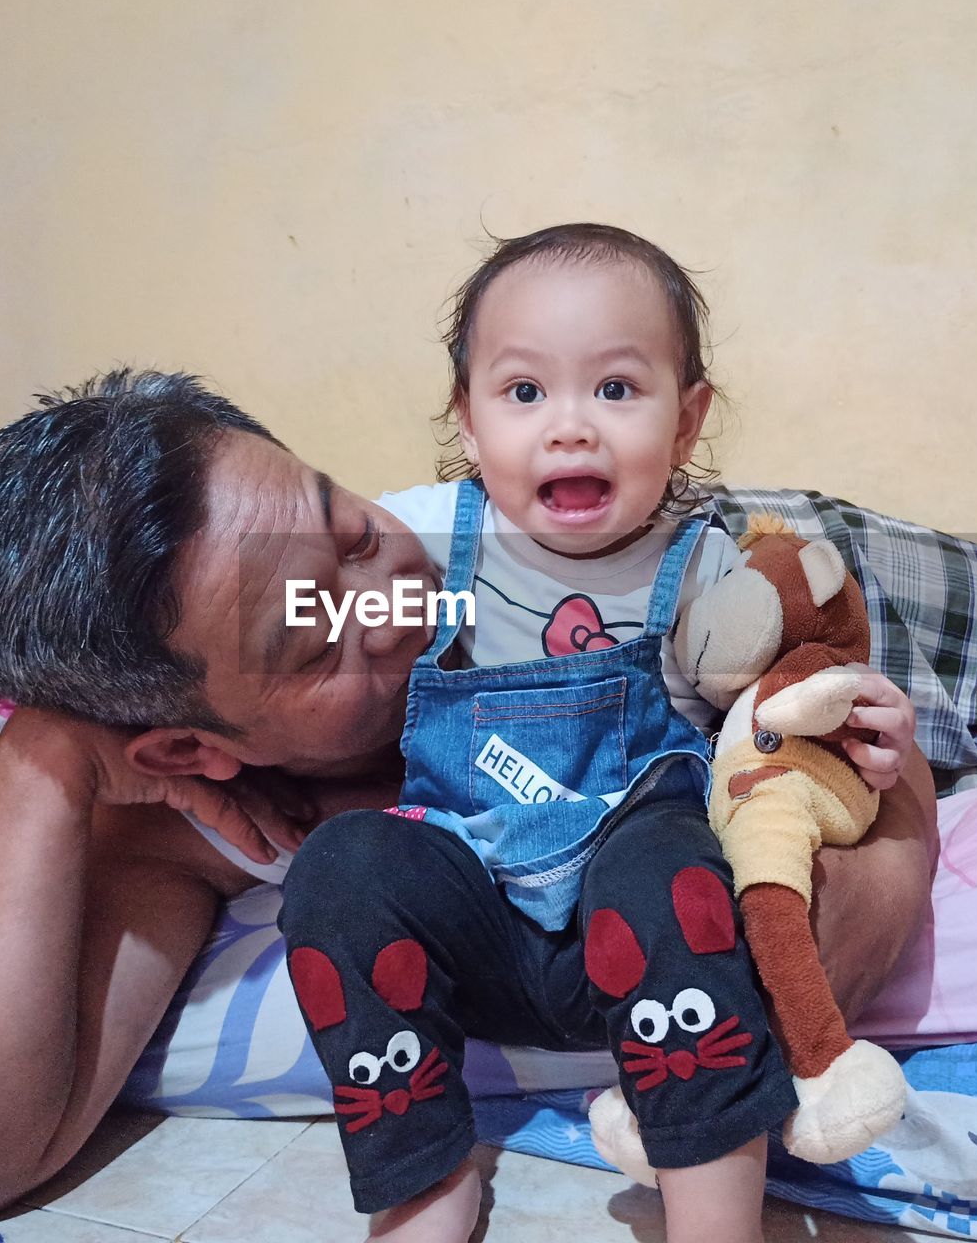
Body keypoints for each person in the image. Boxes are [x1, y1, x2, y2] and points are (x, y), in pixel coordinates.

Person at [0, 368, 936, 1227]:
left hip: (863, 572)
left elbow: (848, 759)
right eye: (309, 639)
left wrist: (884, 830)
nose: (396, 603)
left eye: (349, 530)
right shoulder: (210, 807)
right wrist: (43, 753)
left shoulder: (536, 554)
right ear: (186, 747)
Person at [275, 225, 920, 1242]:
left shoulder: (705, 566)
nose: (568, 428)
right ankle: (424, 1180)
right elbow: (289, 615)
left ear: (686, 417)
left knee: (669, 855)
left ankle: (710, 1204)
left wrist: (859, 728)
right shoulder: (430, 538)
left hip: (653, 943)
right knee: (342, 863)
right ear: (468, 419)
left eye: (615, 390)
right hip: (471, 911)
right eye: (523, 393)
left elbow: (791, 702)